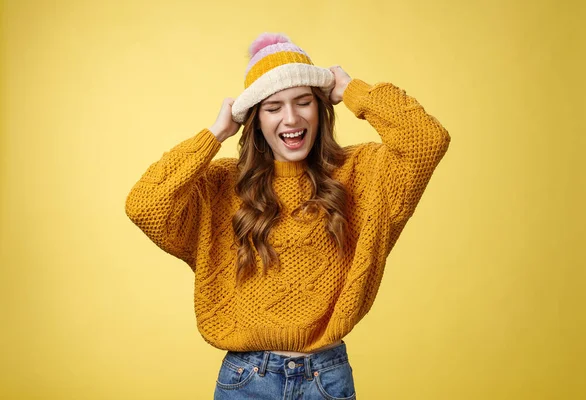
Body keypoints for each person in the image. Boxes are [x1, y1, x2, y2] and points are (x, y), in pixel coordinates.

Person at [125, 32, 451, 400]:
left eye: (303, 102)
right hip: (246, 380)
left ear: (321, 107)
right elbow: (144, 204)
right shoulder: (221, 186)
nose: (291, 118)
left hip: (326, 379)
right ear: (256, 121)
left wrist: (351, 89)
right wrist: (215, 133)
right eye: (273, 107)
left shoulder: (360, 174)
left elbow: (427, 138)